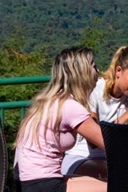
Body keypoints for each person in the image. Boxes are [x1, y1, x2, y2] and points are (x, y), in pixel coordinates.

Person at [62, 46, 128, 177]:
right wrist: (127, 114)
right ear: (118, 71)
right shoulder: (95, 90)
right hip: (82, 157)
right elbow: (93, 144)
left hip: (116, 160)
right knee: (117, 174)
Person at [15, 46, 107, 192]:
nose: (98, 72)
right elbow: (109, 143)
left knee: (104, 181)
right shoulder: (70, 107)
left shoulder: (50, 101)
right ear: (82, 73)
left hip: (29, 182)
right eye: (94, 67)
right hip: (44, 185)